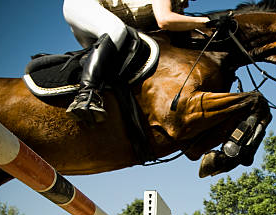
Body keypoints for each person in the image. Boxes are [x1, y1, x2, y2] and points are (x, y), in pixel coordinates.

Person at [62, 0, 210, 124]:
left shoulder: (179, 6)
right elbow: (165, 20)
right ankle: (85, 95)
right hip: (83, 5)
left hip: (102, 20)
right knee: (116, 30)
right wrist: (208, 21)